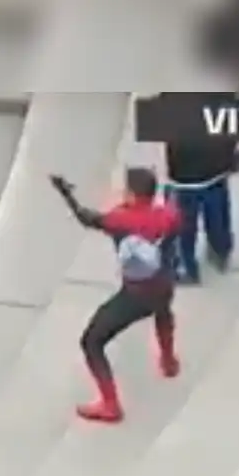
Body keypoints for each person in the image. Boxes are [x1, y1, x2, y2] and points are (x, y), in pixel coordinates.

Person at [49, 167, 182, 423]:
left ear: (132, 194)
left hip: (134, 294)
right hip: (164, 284)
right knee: (163, 312)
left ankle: (110, 405)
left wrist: (66, 194)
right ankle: (168, 360)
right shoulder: (170, 215)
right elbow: (168, 224)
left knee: (91, 341)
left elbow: (86, 217)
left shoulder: (119, 219)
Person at [164, 137, 239, 284]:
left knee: (183, 226)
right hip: (217, 171)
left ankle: (187, 268)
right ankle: (221, 252)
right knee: (219, 216)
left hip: (184, 177)